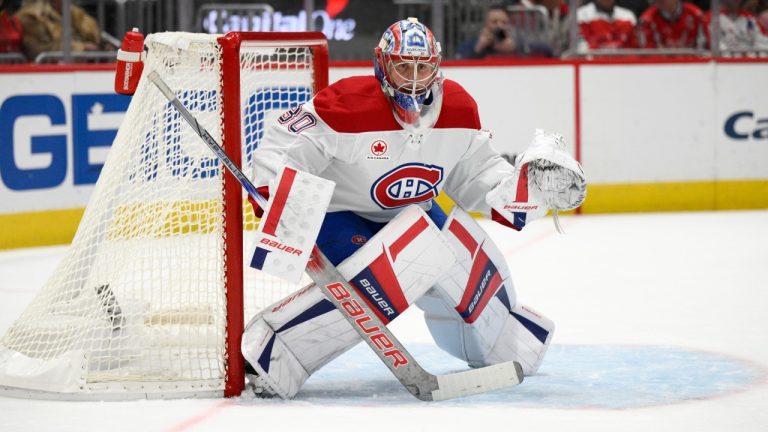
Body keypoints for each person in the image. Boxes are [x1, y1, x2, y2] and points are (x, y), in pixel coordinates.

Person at [240, 17, 587, 399]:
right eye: (404, 65)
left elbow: (477, 176)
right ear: (382, 64)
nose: (414, 77)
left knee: (458, 252)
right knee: (404, 263)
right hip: (338, 216)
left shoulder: (459, 109)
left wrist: (527, 191)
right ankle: (275, 350)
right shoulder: (348, 105)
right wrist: (277, 196)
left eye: (424, 67)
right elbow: (284, 143)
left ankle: (507, 341)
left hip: (410, 215)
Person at [15, 0, 102, 62]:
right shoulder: (30, 16)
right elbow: (36, 50)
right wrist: (81, 48)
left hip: (83, 67)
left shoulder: (75, 13)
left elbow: (96, 38)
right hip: (46, 74)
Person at [638, 0, 707, 49]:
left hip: (693, 65)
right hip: (662, 66)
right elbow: (648, 53)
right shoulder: (646, 20)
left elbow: (703, 50)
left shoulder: (696, 15)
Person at [703, 0, 768, 50]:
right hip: (725, 64)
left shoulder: (750, 17)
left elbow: (763, 42)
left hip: (750, 62)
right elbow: (717, 47)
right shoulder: (710, 18)